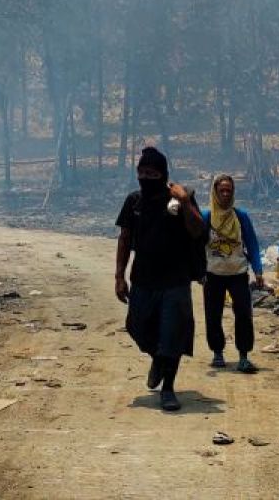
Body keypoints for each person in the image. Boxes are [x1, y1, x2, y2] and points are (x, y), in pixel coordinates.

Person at [114, 146, 205, 412]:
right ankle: (158, 359)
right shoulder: (134, 201)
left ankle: (168, 388)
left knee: (172, 335)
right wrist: (119, 276)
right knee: (136, 326)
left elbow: (198, 230)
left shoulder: (177, 200)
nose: (145, 177)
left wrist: (186, 202)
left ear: (163, 174)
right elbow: (124, 239)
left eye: (151, 173)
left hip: (175, 280)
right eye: (141, 172)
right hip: (142, 279)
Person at [202, 174, 264, 374]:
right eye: (222, 190)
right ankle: (217, 353)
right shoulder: (206, 217)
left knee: (244, 314)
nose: (226, 194)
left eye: (229, 190)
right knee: (213, 314)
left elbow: (252, 244)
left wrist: (259, 270)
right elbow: (196, 245)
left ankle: (243, 356)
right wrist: (197, 271)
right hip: (213, 273)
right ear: (215, 192)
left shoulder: (241, 216)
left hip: (238, 272)